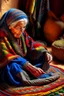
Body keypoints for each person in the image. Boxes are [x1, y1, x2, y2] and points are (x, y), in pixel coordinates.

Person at [0, 8, 59, 86]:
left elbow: (32, 44)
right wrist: (27, 65)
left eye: (24, 27)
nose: (22, 30)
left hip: (23, 61)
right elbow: (6, 56)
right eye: (18, 28)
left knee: (42, 55)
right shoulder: (1, 35)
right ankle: (27, 77)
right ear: (10, 26)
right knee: (13, 68)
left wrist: (45, 52)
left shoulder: (22, 33)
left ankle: (29, 73)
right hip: (9, 63)